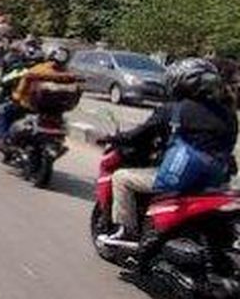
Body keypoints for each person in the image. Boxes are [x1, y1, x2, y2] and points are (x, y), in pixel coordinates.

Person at [98, 58, 238, 247]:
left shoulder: (173, 110)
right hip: (215, 181)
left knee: (121, 178)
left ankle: (126, 232)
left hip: (182, 176)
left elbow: (138, 135)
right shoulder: (228, 114)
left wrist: (114, 138)